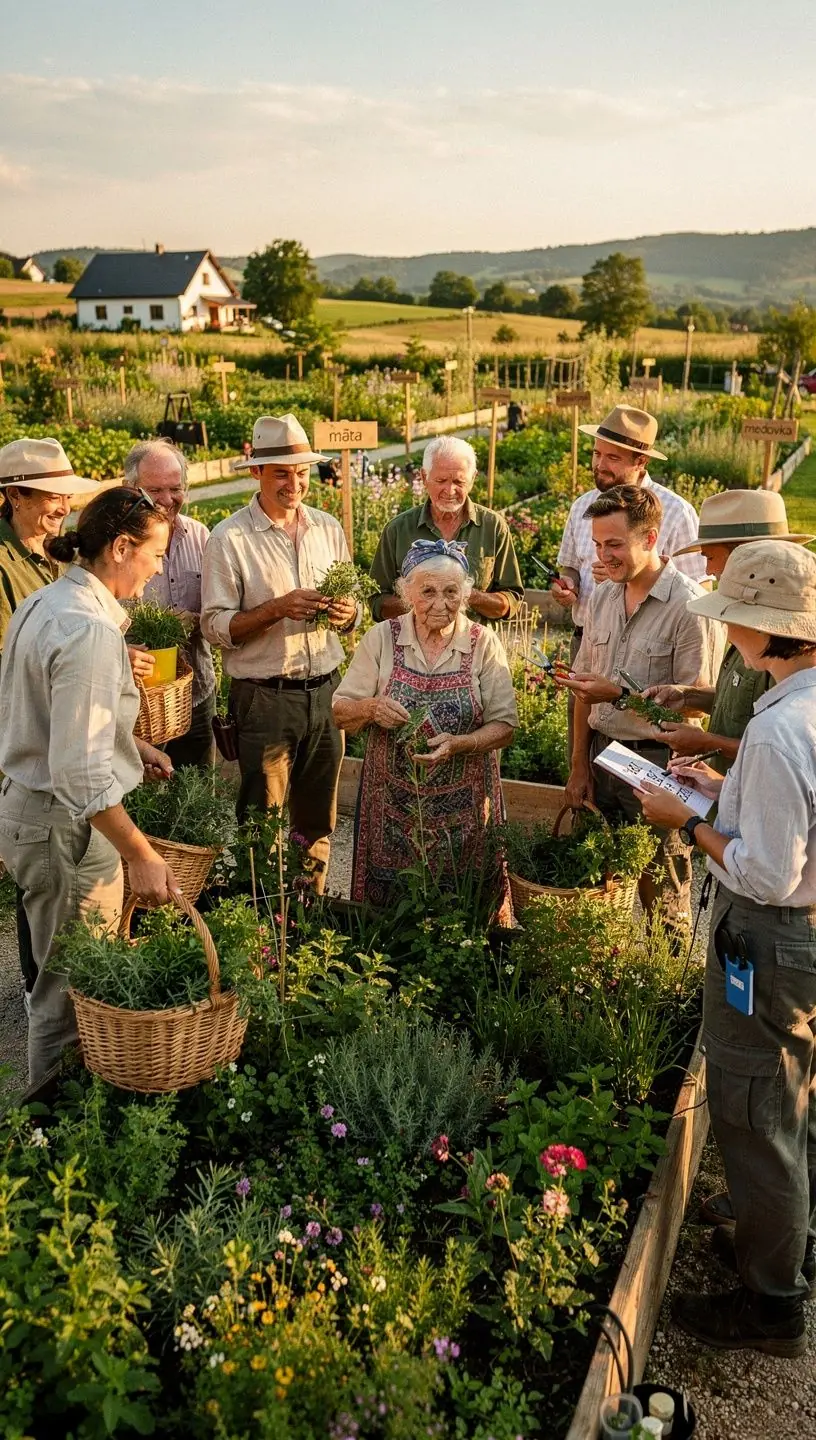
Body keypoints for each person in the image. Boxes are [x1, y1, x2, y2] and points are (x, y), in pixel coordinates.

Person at [636, 541, 816, 1357]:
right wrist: (722, 789)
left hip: (773, 938)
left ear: (762, 628)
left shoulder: (780, 731)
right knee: (792, 1099)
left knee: (756, 1111)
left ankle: (771, 1303)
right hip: (803, 938)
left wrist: (692, 823)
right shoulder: (801, 709)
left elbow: (769, 873)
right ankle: (777, 1241)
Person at [0, 487, 182, 1086]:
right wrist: (142, 854)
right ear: (121, 546)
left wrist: (131, 746)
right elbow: (79, 777)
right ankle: (51, 1132)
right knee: (68, 996)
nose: (158, 570)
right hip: (63, 828)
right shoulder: (89, 630)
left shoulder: (47, 601)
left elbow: (52, 718)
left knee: (67, 979)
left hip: (34, 810)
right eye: (154, 554)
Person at [201, 414, 356, 892]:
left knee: (316, 819)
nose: (295, 483)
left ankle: (306, 913)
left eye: (302, 472)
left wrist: (347, 614)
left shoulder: (327, 528)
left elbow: (353, 608)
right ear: (257, 474)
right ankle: (261, 922)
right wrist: (275, 609)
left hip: (327, 692)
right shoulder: (229, 538)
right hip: (265, 698)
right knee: (260, 822)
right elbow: (213, 626)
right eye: (282, 473)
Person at [557, 484, 721, 935]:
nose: (602, 557)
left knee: (663, 894)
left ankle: (665, 989)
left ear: (650, 539)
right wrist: (578, 766)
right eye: (596, 545)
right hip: (601, 755)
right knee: (595, 884)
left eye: (614, 545)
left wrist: (618, 696)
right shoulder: (605, 597)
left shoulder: (690, 608)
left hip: (657, 766)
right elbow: (582, 690)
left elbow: (696, 715)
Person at [332, 539, 517, 908]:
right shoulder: (382, 638)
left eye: (451, 592)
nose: (440, 604)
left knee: (464, 909)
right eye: (428, 591)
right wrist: (371, 708)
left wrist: (461, 743)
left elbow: (505, 726)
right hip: (389, 813)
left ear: (465, 595)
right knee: (390, 913)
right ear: (406, 593)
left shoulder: (483, 642)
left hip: (464, 817)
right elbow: (340, 708)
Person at [0, 438, 102, 998]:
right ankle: (39, 988)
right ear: (13, 495)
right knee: (35, 861)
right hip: (19, 734)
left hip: (50, 727)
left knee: (57, 870)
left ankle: (51, 984)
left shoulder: (49, 555)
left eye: (66, 496)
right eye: (49, 497)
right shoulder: (2, 563)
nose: (62, 507)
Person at [639, 490, 813, 773]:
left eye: (711, 556)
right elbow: (741, 700)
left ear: (746, 557)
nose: (708, 569)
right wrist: (688, 696)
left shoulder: (783, 641)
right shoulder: (752, 627)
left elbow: (779, 747)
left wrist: (707, 743)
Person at [551, 404, 706, 664]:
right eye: (596, 454)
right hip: (587, 639)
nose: (600, 465)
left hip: (648, 648)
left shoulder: (676, 512)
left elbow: (699, 593)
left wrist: (628, 576)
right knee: (584, 705)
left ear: (641, 461)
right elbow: (570, 568)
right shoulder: (582, 506)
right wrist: (569, 586)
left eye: (613, 458)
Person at [123, 439, 216, 768]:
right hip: (136, 703)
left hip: (196, 695)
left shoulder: (201, 536)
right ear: (130, 488)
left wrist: (196, 619)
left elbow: (221, 609)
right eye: (154, 490)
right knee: (141, 792)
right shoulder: (115, 546)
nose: (166, 500)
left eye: (175, 488)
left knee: (196, 789)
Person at [369, 436, 523, 623]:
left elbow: (511, 601)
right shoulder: (398, 530)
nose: (450, 491)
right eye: (441, 480)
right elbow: (377, 602)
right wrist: (420, 600)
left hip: (474, 647)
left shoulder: (493, 526)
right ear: (424, 477)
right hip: (411, 648)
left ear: (473, 479)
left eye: (459, 482)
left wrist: (468, 594)